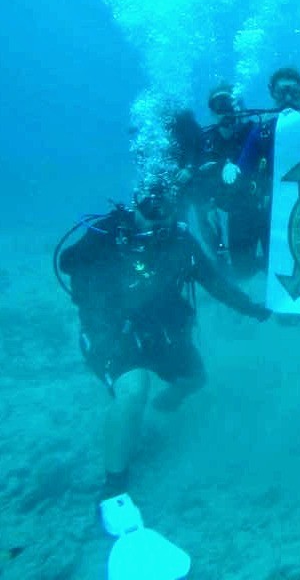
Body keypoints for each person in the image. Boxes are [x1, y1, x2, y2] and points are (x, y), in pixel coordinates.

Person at [57, 182, 270, 529]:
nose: (155, 218)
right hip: (113, 333)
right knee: (134, 388)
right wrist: (108, 319)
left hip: (161, 330)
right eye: (149, 208)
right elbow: (71, 267)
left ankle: (160, 408)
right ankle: (114, 484)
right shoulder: (108, 234)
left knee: (195, 379)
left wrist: (252, 309)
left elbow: (214, 282)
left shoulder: (181, 243)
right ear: (135, 204)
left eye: (166, 209)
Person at [219, 68, 300, 276]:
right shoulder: (263, 130)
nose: (287, 98)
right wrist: (232, 167)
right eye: (281, 92)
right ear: (272, 94)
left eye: (293, 92)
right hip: (274, 210)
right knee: (275, 267)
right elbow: (245, 165)